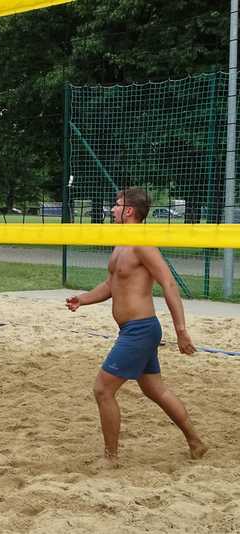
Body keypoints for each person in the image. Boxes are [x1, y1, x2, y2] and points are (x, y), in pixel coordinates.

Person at [66, 187, 207, 466]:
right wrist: (82, 299)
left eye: (116, 205)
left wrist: (181, 330)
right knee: (155, 390)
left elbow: (168, 283)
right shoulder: (121, 242)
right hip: (134, 330)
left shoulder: (142, 243)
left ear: (129, 211)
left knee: (103, 390)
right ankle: (196, 442)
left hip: (140, 330)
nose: (112, 209)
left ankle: (111, 458)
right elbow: (111, 285)